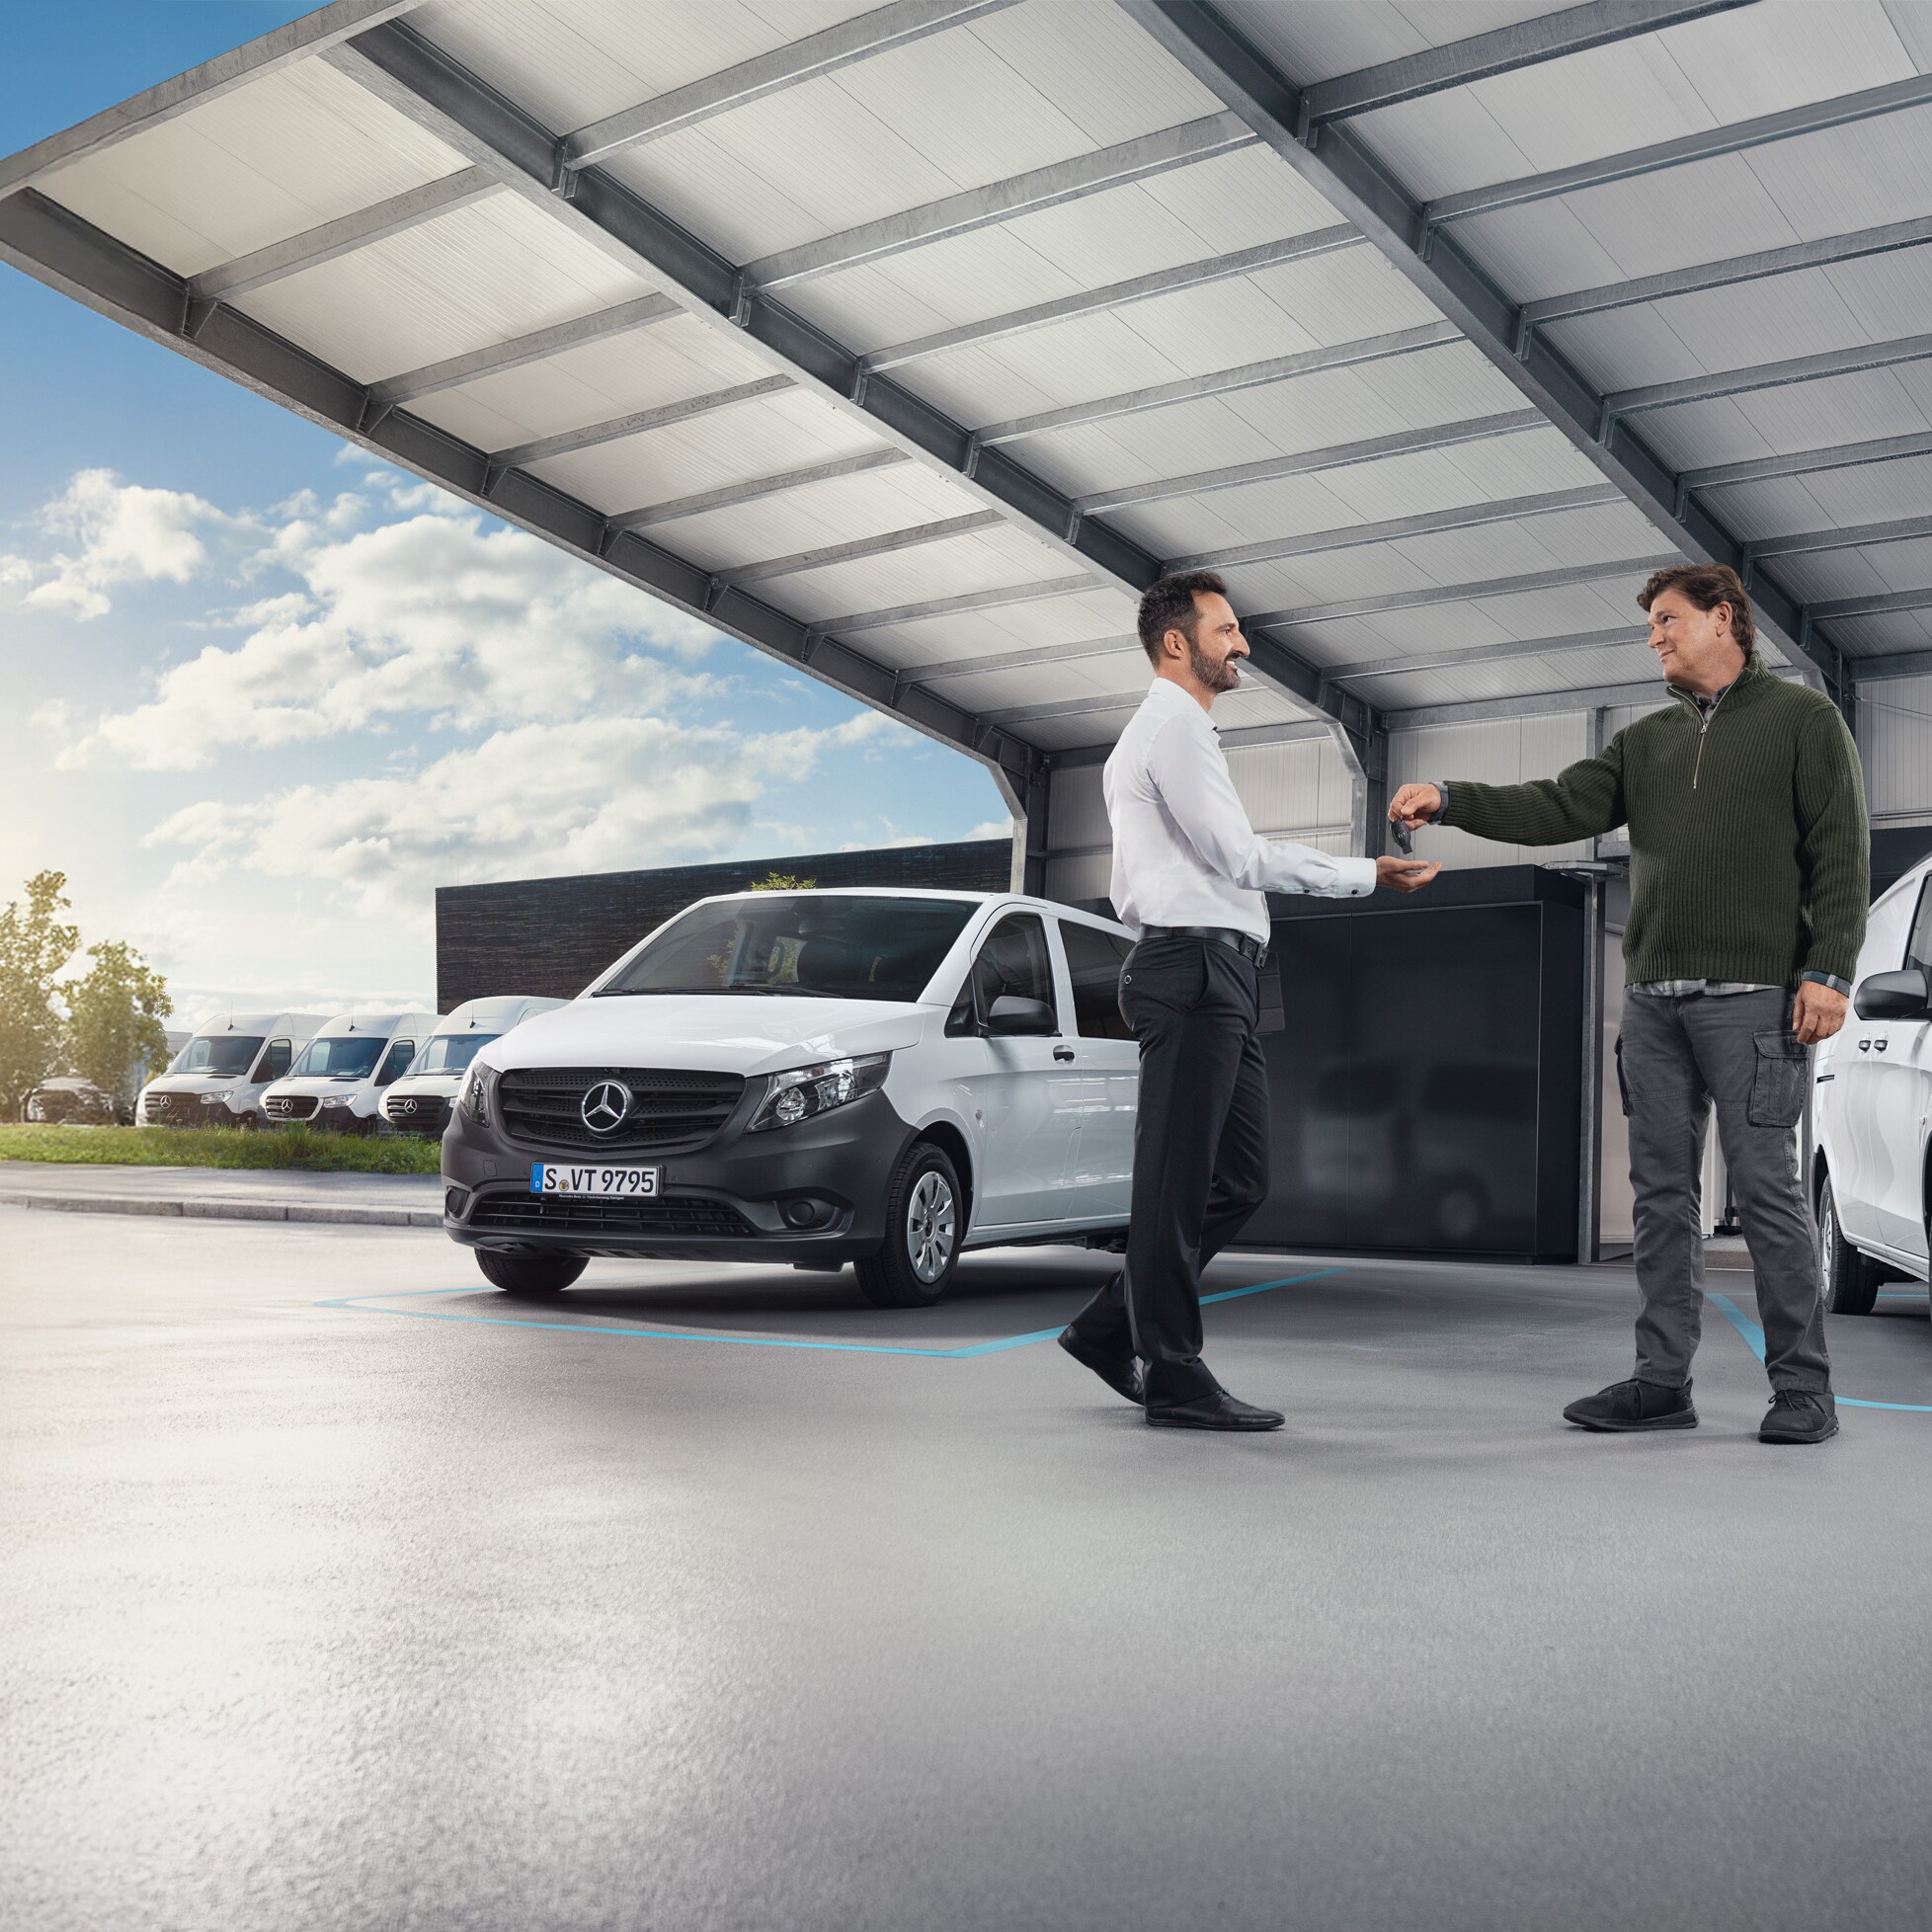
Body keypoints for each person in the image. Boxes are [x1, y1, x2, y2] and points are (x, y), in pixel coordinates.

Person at [1389, 564, 1868, 1445]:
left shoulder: (1805, 722)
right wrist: (1454, 798)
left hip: (1755, 1001)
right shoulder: (1642, 745)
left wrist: (1828, 972)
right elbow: (1559, 803)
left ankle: (1804, 1389)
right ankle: (1661, 1382)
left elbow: (1841, 850)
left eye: (1668, 619)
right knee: (1659, 1196)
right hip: (1652, 1002)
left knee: (1767, 1193)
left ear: (1725, 619)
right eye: (1651, 623)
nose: (1654, 636)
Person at [1061, 571, 1439, 1430]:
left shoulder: (1173, 734)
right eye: (1226, 631)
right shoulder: (1173, 728)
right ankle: (1174, 1374)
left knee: (1238, 1177)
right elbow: (1237, 856)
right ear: (1175, 643)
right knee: (1175, 1185)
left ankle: (1108, 1326)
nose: (1241, 646)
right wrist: (1363, 872)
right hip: (1190, 970)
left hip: (1221, 972)